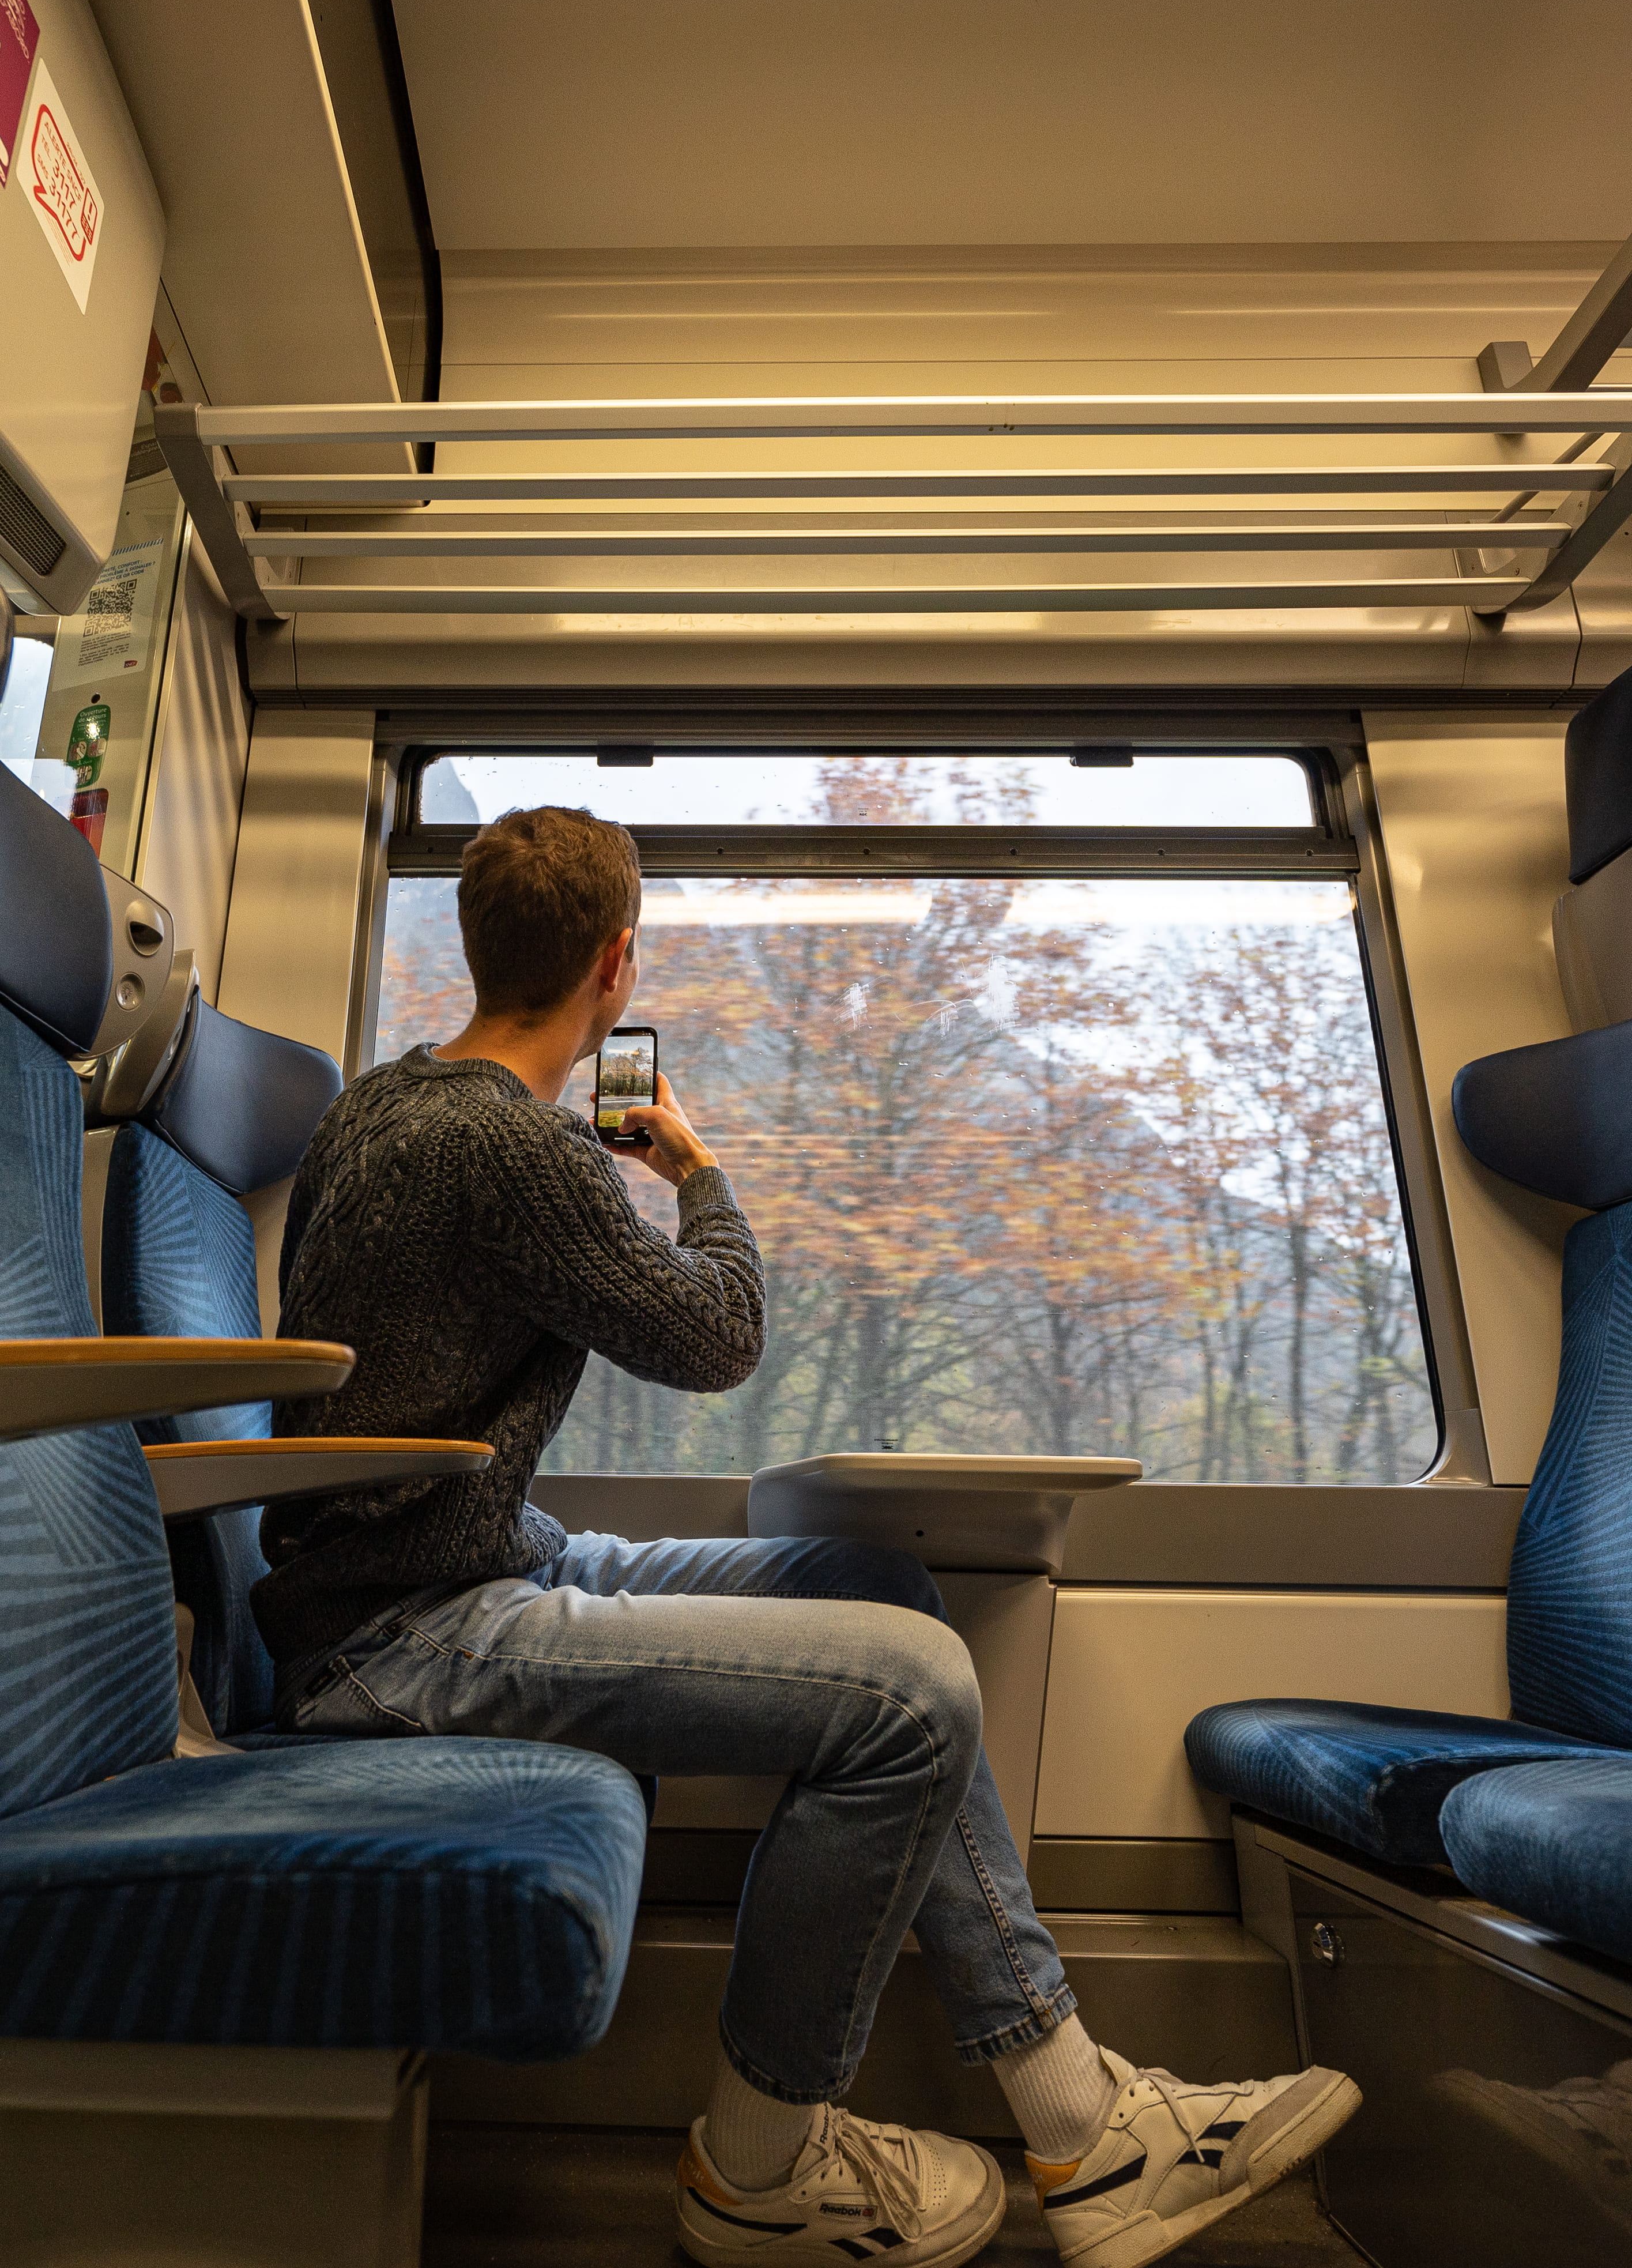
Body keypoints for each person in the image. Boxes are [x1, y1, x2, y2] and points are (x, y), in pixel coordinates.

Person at [261, 803, 1361, 2268]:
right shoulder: (522, 1154)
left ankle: (1084, 2128)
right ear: (617, 963)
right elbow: (723, 1335)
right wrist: (697, 1172)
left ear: (475, 952)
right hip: (408, 1633)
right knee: (913, 1691)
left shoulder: (370, 1108)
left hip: (474, 1562)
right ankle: (764, 2170)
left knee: (878, 1585)